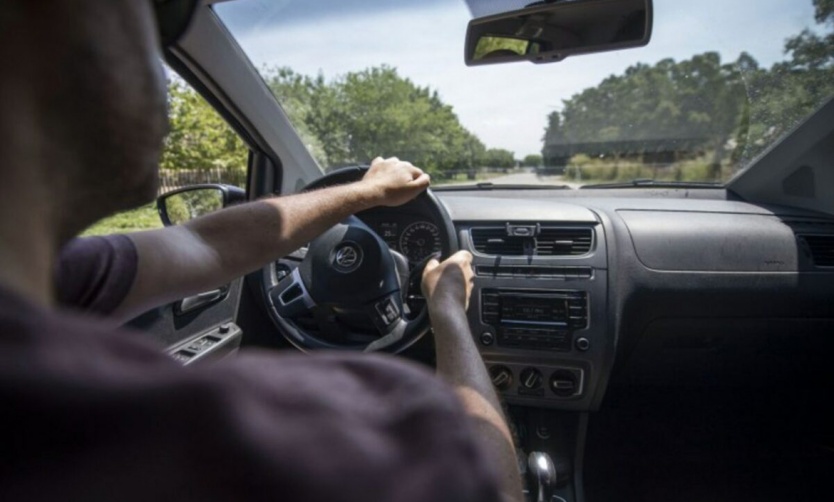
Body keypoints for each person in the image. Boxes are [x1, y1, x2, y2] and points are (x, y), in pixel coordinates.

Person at [0, 1, 522, 501]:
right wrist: (448, 314)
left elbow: (202, 242)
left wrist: (366, 193)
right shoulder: (282, 447)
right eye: (161, 9)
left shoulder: (63, 277)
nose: (161, 56)